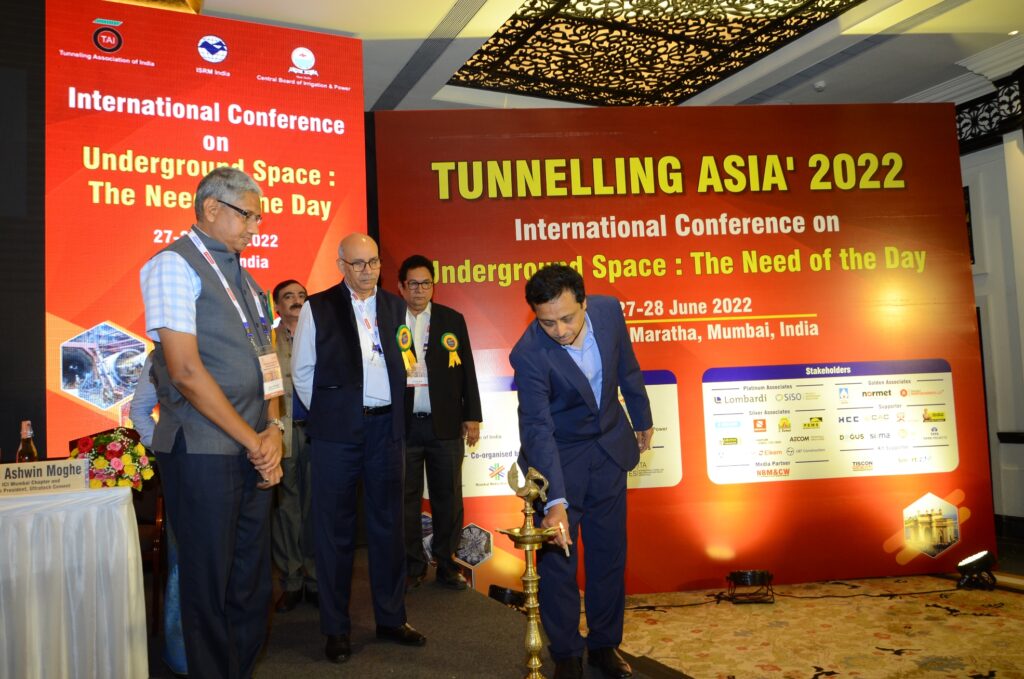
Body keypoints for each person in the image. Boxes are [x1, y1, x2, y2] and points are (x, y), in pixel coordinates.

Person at [140, 166, 284, 679]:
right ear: (211, 208)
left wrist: (274, 432)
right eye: (249, 216)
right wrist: (254, 441)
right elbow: (184, 371)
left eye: (259, 218)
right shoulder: (172, 265)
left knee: (251, 586)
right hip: (202, 453)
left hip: (252, 451)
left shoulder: (248, 279)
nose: (256, 228)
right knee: (207, 588)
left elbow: (269, 366)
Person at [509, 264, 654, 679]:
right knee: (559, 562)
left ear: (584, 302)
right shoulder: (528, 353)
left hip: (609, 449)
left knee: (609, 553)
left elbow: (627, 366)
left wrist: (642, 416)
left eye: (567, 318)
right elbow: (537, 428)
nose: (559, 330)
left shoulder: (609, 312)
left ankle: (605, 645)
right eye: (548, 322)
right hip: (559, 458)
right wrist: (554, 501)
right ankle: (567, 653)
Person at [292, 233, 426, 664]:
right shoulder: (318, 307)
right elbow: (302, 371)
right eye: (359, 264)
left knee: (389, 527)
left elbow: (408, 362)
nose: (368, 271)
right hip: (337, 435)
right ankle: (336, 628)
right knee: (335, 532)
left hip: (386, 430)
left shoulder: (394, 307)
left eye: (374, 262)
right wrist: (332, 415)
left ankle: (391, 618)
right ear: (341, 266)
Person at [397, 254, 483, 591]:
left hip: (444, 424)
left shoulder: (451, 319)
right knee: (404, 500)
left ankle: (447, 564)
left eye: (426, 283)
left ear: (433, 286)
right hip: (402, 426)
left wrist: (472, 415)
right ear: (401, 287)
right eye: (413, 284)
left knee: (448, 497)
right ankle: (412, 565)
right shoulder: (389, 318)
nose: (420, 290)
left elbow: (467, 370)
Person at [129, 353, 187, 677]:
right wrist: (163, 445)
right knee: (181, 564)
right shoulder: (159, 355)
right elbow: (139, 410)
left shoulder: (219, 343)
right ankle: (180, 656)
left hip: (224, 469)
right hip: (180, 470)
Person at [270, 279, 319, 612]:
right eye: (289, 296)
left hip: (317, 432)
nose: (297, 301)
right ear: (277, 306)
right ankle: (291, 580)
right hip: (282, 433)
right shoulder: (266, 341)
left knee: (315, 507)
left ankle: (315, 579)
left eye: (302, 295)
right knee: (287, 509)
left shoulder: (320, 336)